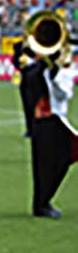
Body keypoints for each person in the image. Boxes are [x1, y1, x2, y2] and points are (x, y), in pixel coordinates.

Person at [24, 51, 77, 219]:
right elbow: (28, 81)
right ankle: (41, 204)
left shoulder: (66, 71)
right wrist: (42, 66)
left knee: (63, 159)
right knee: (42, 165)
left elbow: (64, 95)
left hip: (57, 119)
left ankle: (44, 200)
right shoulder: (38, 69)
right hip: (41, 120)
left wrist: (54, 76)